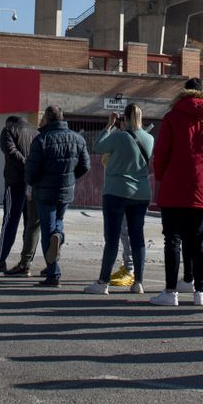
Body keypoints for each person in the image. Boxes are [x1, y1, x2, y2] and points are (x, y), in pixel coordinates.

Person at [150, 81, 203, 307]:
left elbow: (161, 153)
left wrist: (163, 176)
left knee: (172, 240)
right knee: (199, 241)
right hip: (200, 190)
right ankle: (200, 291)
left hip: (174, 189)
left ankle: (171, 292)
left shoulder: (172, 118)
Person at [86, 103, 154, 295]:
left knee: (112, 239)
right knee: (137, 238)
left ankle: (103, 282)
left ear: (123, 119)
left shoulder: (118, 136)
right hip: (140, 193)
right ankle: (138, 282)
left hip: (116, 191)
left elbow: (98, 146)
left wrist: (109, 125)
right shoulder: (149, 138)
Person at [24, 104, 90, 288]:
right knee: (57, 223)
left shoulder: (42, 140)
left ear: (47, 119)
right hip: (65, 191)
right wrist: (70, 178)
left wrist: (32, 183)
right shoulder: (77, 139)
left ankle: (53, 274)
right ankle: (59, 236)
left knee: (47, 229)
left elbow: (31, 170)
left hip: (45, 192)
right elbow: (85, 166)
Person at [0, 115, 35, 275]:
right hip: (32, 183)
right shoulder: (35, 132)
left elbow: (10, 151)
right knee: (30, 225)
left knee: (10, 222)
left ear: (9, 122)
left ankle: (0, 260)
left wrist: (26, 165)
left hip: (15, 182)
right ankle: (26, 263)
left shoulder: (8, 130)